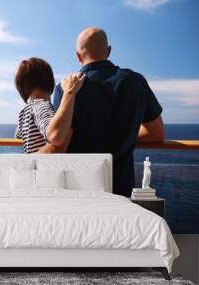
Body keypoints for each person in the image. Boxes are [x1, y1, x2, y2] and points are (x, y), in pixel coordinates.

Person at [52, 27, 164, 197]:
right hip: (120, 190)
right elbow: (156, 134)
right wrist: (124, 133)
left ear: (78, 55)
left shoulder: (66, 89)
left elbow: (58, 143)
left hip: (77, 189)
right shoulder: (136, 82)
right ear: (109, 51)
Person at [14, 57, 85, 153]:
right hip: (47, 166)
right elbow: (55, 135)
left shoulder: (25, 111)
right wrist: (69, 93)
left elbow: (18, 135)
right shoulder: (42, 106)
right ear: (49, 80)